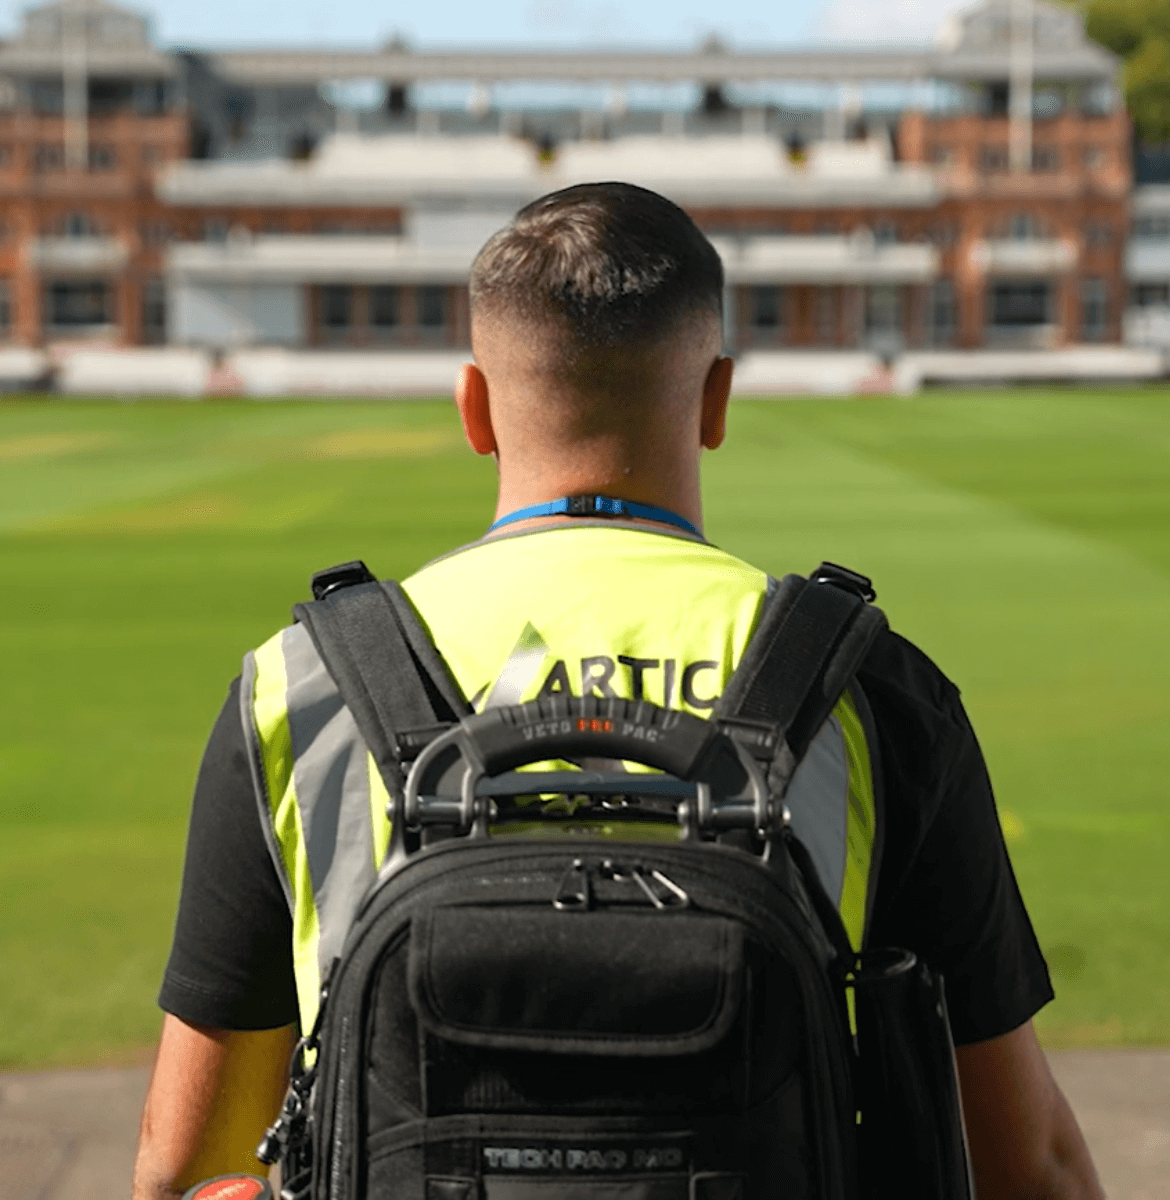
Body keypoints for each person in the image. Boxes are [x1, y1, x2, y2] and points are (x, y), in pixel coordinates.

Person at [133, 182, 1102, 1200]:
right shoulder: (873, 688)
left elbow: (190, 1165)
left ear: (475, 408)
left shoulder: (302, 686)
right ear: (717, 398)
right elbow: (1030, 1164)